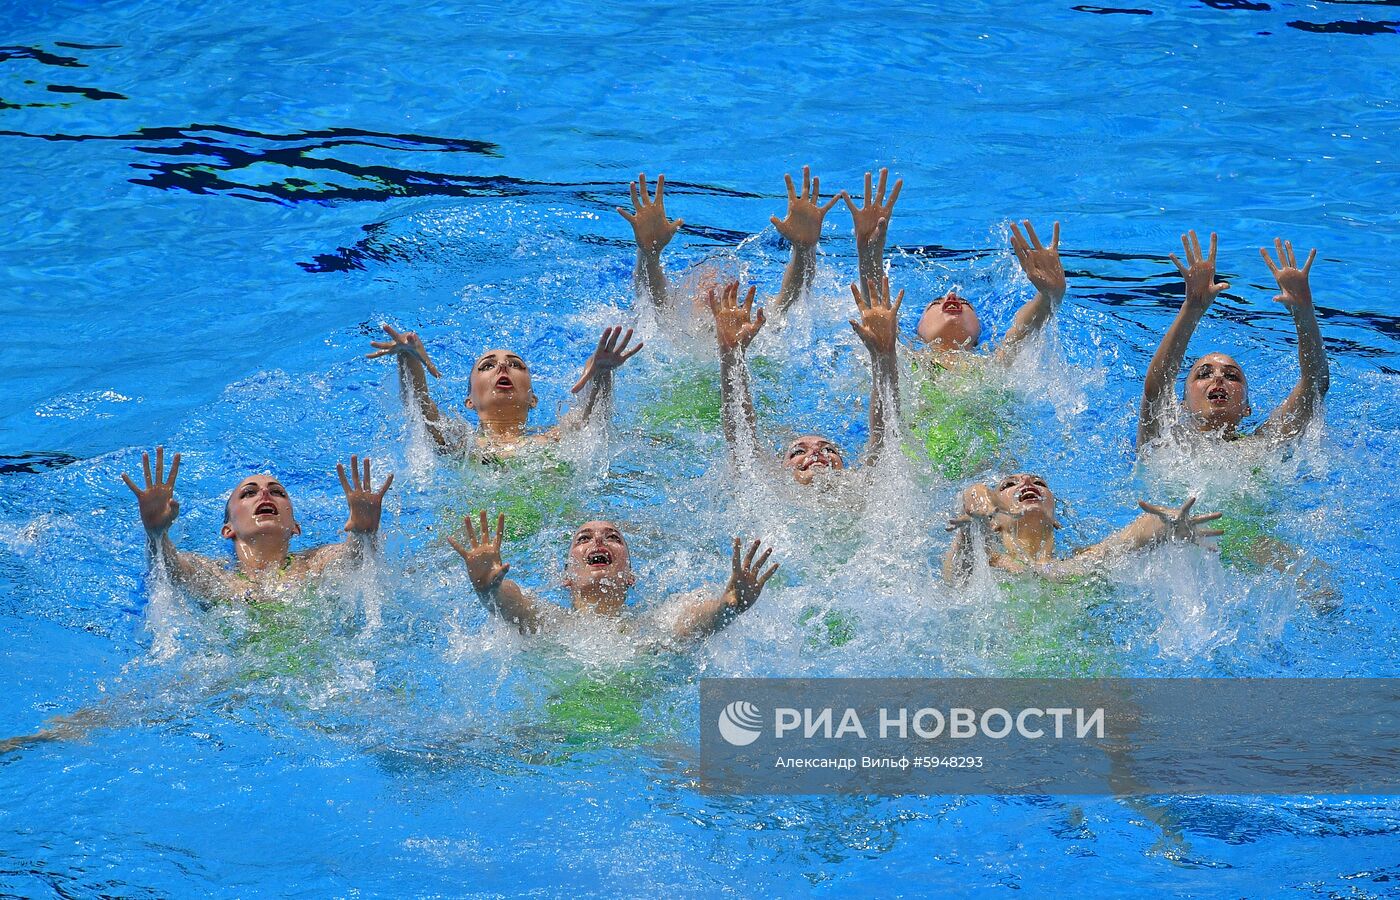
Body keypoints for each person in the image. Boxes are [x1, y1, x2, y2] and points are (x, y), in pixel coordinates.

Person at [447, 512, 778, 642]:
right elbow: (509, 603)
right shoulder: (548, 622)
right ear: (565, 577)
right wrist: (486, 586)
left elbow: (702, 618)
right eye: (584, 538)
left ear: (630, 576)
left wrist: (730, 605)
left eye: (613, 537)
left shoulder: (657, 625)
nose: (598, 541)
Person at [120, 446, 394, 603]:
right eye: (248, 493)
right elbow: (170, 570)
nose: (264, 494)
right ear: (228, 529)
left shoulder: (315, 564)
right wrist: (156, 534)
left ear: (295, 526)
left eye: (277, 492)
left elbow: (354, 559)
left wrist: (364, 533)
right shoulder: (214, 575)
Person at [1137, 232, 1329, 449]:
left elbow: (1315, 385)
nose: (1218, 378)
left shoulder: (1264, 445)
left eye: (1232, 376)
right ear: (1181, 406)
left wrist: (1303, 313)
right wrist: (1192, 308)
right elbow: (1156, 390)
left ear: (1247, 408)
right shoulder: (1165, 443)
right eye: (1204, 373)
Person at [707, 276, 902, 485]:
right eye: (798, 451)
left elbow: (886, 435)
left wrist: (884, 354)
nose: (817, 451)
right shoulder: (772, 491)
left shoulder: (864, 488)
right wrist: (731, 354)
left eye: (829, 449)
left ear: (847, 468)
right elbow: (740, 436)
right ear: (778, 472)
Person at [366, 324, 643, 458]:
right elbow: (422, 410)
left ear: (533, 399)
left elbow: (593, 419)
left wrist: (603, 373)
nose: (502, 367)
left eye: (515, 365)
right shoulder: (462, 443)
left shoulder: (556, 438)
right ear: (470, 401)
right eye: (488, 365)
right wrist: (408, 358)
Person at [616, 168, 842, 316]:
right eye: (704, 283)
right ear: (686, 297)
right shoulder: (679, 328)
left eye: (726, 284)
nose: (715, 288)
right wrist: (649, 253)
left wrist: (804, 250)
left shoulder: (757, 328)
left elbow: (792, 295)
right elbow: (650, 294)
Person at [943, 472, 1223, 585]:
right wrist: (975, 500)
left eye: (1039, 482)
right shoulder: (988, 564)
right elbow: (956, 576)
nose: (1027, 484)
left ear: (1055, 518)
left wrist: (1170, 523)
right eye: (1008, 485)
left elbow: (1135, 534)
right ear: (993, 521)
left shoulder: (1080, 563)